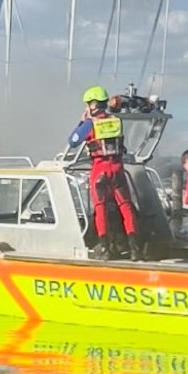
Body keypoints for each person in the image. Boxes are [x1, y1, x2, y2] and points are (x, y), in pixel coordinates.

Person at [69, 86, 142, 260]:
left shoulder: (90, 124)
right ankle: (135, 249)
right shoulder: (117, 120)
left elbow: (73, 141)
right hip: (117, 168)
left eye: (87, 104)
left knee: (100, 208)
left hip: (100, 169)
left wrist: (82, 122)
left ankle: (106, 248)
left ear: (92, 105)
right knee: (126, 206)